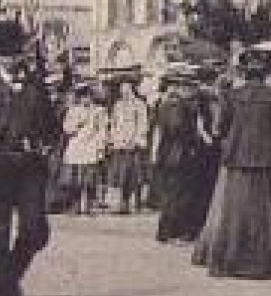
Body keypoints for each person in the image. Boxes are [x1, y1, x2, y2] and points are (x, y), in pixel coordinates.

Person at [193, 46, 271, 279]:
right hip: (267, 160)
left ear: (244, 72)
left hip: (238, 159)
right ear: (266, 73)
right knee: (266, 211)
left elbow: (221, 128)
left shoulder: (232, 96)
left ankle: (234, 259)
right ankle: (263, 263)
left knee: (236, 212)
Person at [0, 53, 59, 296]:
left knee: (36, 229)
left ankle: (8, 278)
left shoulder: (35, 87)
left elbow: (51, 126)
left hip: (29, 165)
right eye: (4, 54)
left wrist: (45, 144)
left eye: (15, 53)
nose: (11, 60)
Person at [153, 65, 219, 243]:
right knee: (177, 195)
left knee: (176, 194)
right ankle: (171, 232)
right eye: (188, 86)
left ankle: (168, 232)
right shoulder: (175, 104)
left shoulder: (170, 102)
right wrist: (196, 139)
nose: (191, 89)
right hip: (178, 154)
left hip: (173, 154)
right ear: (179, 86)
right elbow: (177, 129)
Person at [59, 83, 109, 216]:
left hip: (91, 146)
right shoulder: (73, 111)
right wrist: (76, 124)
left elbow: (102, 130)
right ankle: (75, 204)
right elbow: (66, 129)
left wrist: (100, 145)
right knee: (75, 179)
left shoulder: (99, 111)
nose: (85, 100)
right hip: (76, 146)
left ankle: (89, 205)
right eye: (82, 97)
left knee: (90, 178)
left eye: (87, 97)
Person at [105, 74, 151, 214]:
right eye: (122, 90)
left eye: (127, 89)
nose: (124, 93)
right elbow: (114, 123)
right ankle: (122, 203)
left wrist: (136, 139)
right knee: (120, 174)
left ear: (133, 89)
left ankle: (136, 202)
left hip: (134, 143)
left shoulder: (140, 105)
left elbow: (143, 124)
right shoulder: (117, 105)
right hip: (120, 142)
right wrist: (113, 138)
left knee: (135, 174)